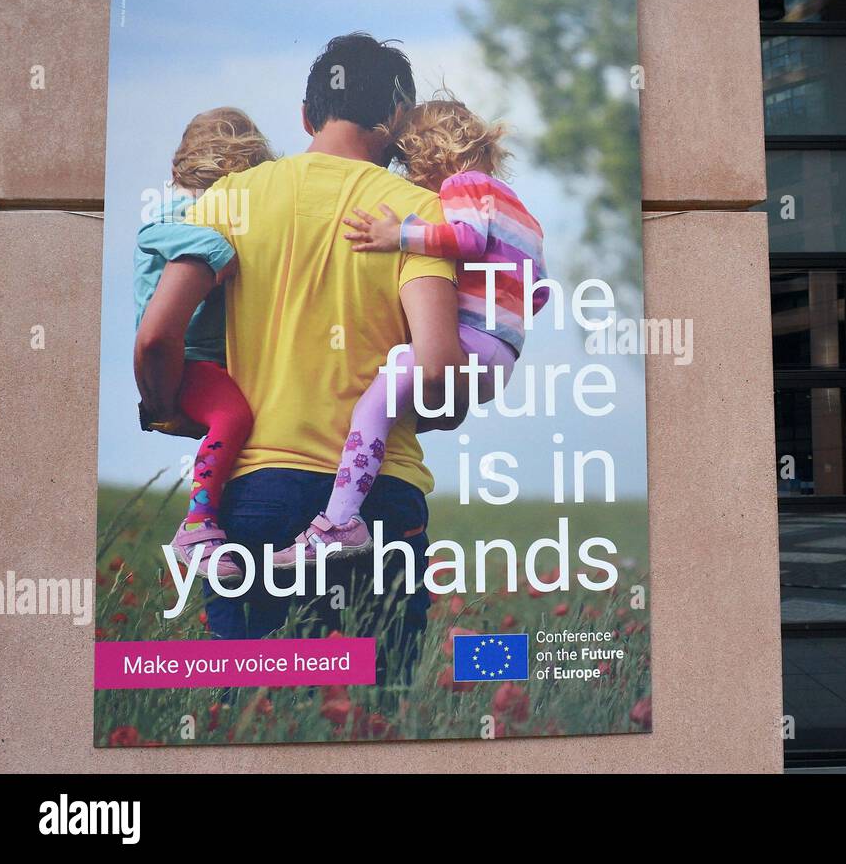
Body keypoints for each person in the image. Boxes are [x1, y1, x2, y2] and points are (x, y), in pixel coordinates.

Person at [134, 33, 469, 678]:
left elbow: (155, 337)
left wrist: (164, 404)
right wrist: (442, 411)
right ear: (397, 119)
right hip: (378, 501)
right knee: (375, 715)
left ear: (306, 115)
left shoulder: (226, 200)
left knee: (252, 717)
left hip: (255, 495)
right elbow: (436, 367)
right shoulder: (416, 211)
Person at [288, 96, 549, 553]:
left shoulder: (464, 185)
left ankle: (339, 522)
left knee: (371, 409)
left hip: (467, 341)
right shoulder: (523, 213)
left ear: (430, 155)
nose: (409, 180)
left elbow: (465, 239)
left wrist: (398, 235)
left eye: (408, 165)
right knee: (397, 412)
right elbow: (540, 290)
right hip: (501, 354)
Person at [134, 107, 274, 580]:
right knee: (232, 416)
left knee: (231, 419)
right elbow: (151, 232)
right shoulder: (181, 212)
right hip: (190, 357)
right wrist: (218, 250)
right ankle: (196, 525)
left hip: (207, 355)